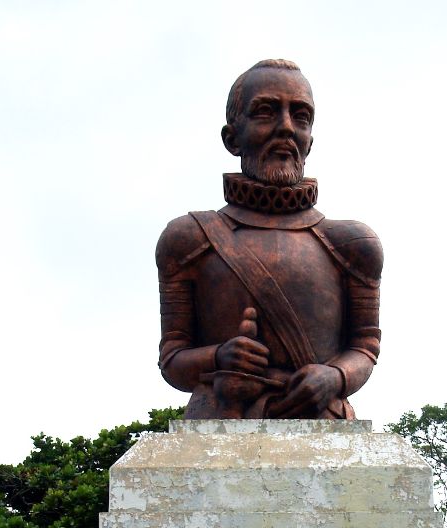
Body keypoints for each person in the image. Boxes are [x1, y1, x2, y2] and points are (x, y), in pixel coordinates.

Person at [156, 59, 382, 419]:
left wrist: (334, 377)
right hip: (222, 418)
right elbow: (172, 359)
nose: (286, 128)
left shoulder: (352, 245)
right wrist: (219, 356)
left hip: (322, 420)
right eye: (266, 112)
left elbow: (366, 346)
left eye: (301, 116)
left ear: (310, 141)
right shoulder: (189, 240)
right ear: (232, 138)